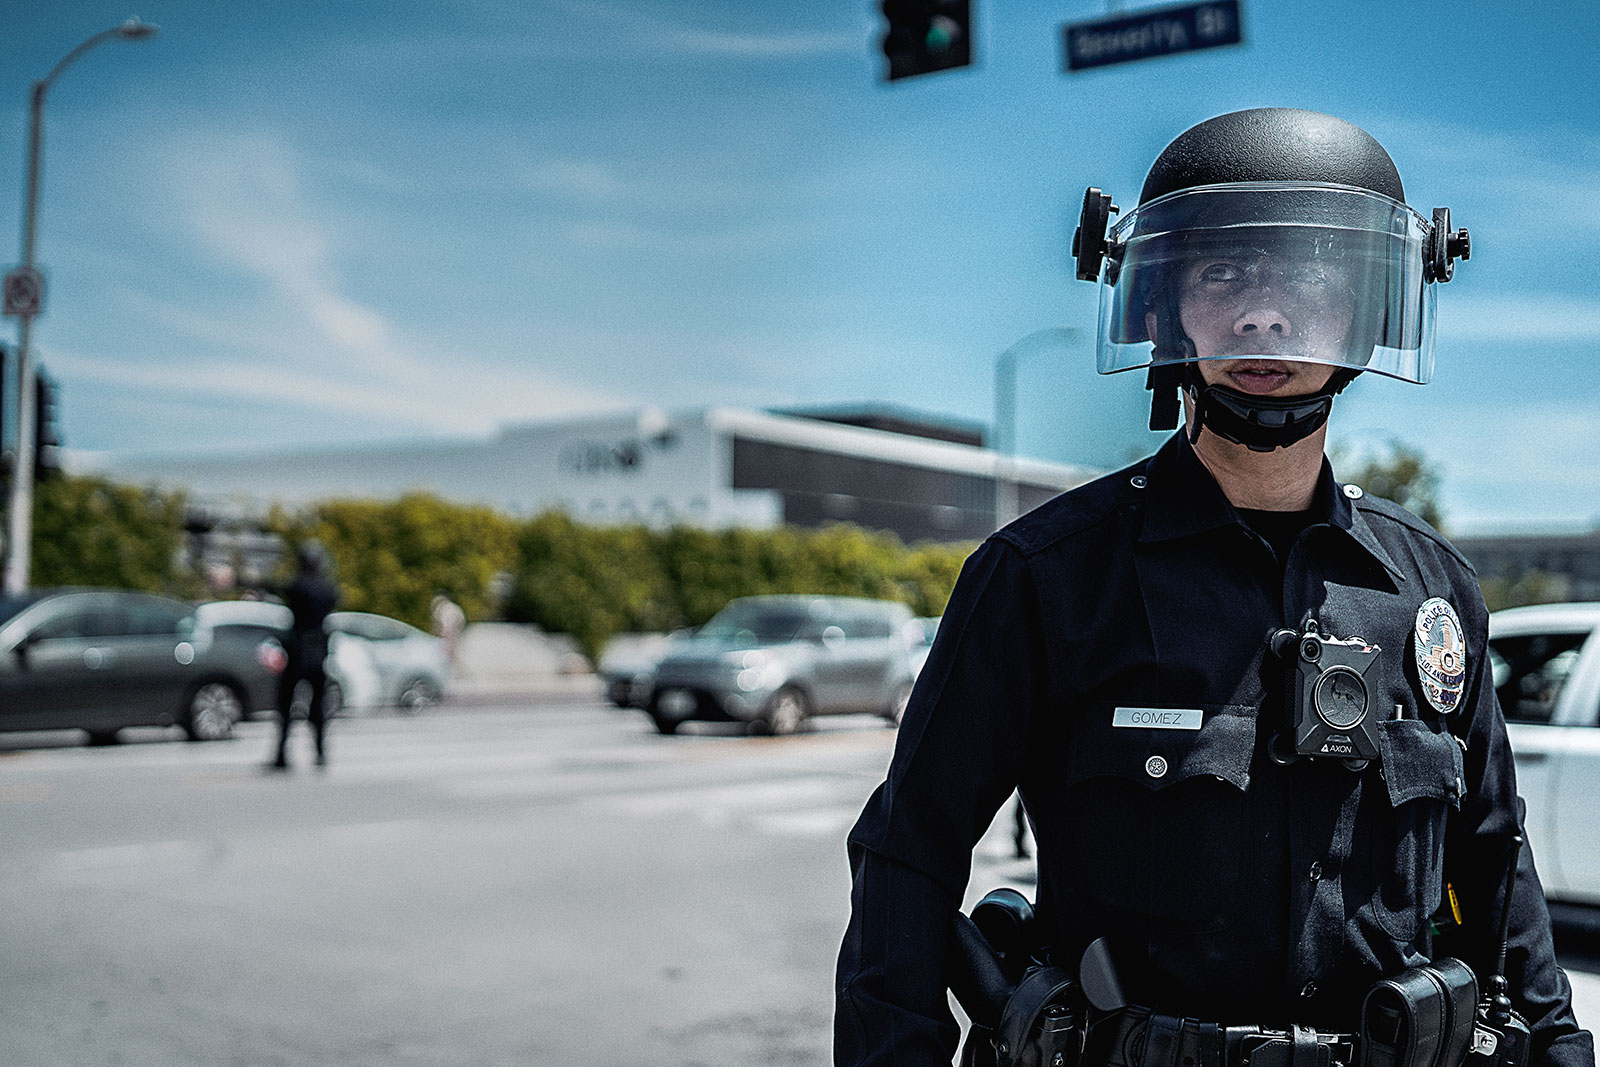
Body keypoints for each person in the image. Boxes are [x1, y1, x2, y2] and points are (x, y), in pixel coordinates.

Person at [834, 109, 1593, 1067]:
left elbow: (1493, 857)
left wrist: (1560, 1043)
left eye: (1309, 274)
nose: (1262, 313)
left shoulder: (1434, 589)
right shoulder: (1043, 578)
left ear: (1370, 307)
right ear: (1160, 306)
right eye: (1223, 271)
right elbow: (910, 851)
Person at [269, 540, 340, 770]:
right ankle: (320, 754)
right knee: (318, 707)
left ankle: (281, 755)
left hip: (298, 652)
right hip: (318, 653)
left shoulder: (298, 587)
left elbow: (277, 587)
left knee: (287, 706)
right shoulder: (327, 590)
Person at [431, 592, 466, 665]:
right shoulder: (454, 607)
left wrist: (443, 633)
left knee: (448, 654)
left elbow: (446, 624)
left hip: (449, 635)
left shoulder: (446, 609)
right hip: (455, 633)